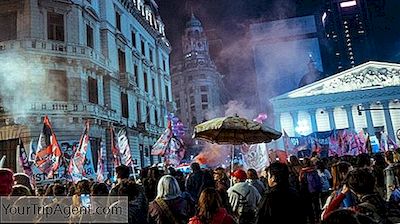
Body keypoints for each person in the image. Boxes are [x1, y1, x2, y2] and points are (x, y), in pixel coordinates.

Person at [323, 168, 392, 223]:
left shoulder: (357, 210)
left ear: (352, 190)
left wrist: (342, 194)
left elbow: (327, 216)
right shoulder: (385, 202)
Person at [299, 158, 322, 224]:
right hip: (315, 190)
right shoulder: (314, 170)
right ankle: (318, 218)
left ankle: (312, 219)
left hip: (306, 192)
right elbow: (318, 181)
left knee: (309, 207)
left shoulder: (302, 172)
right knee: (316, 204)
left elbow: (300, 182)